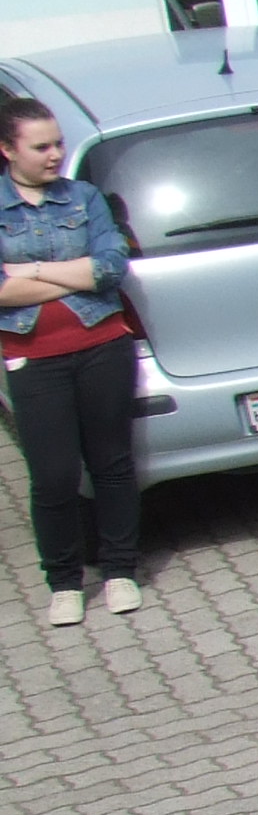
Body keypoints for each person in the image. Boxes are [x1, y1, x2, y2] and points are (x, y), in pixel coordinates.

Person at [0, 95, 143, 630]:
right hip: (32, 359)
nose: (55, 154)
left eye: (58, 143)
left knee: (112, 464)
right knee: (54, 476)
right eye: (41, 147)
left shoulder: (84, 198)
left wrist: (31, 270)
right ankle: (64, 582)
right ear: (8, 150)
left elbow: (109, 269)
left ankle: (120, 570)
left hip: (102, 348)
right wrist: (72, 274)